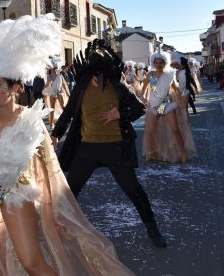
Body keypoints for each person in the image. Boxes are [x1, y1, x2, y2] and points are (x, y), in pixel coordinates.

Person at [0, 0, 135, 275]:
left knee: (32, 262)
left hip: (15, 188)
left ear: (15, 88)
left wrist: (55, 212)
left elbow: (50, 170)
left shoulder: (29, 121)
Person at [52, 39, 167, 249]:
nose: (97, 80)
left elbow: (139, 108)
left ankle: (152, 228)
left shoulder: (117, 85)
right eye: (94, 76)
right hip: (87, 147)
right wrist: (55, 134)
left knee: (134, 190)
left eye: (100, 76)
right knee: (69, 192)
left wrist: (119, 114)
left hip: (115, 147)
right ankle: (60, 230)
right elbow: (68, 112)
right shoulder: (82, 87)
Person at [141, 50, 196, 163]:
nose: (159, 64)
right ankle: (151, 152)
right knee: (150, 130)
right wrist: (143, 98)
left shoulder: (169, 75)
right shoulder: (150, 75)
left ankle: (183, 151)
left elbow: (176, 89)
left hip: (166, 104)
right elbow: (144, 87)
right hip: (154, 104)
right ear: (153, 63)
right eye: (156, 62)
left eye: (161, 62)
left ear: (164, 63)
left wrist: (180, 102)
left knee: (175, 129)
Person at [42, 59, 70, 128]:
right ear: (50, 69)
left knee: (63, 106)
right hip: (53, 93)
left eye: (55, 68)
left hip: (59, 92)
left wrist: (67, 93)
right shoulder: (50, 77)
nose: (54, 69)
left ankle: (66, 119)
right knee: (52, 108)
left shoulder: (60, 75)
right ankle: (51, 124)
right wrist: (43, 90)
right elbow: (47, 85)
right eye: (52, 68)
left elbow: (64, 85)